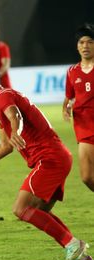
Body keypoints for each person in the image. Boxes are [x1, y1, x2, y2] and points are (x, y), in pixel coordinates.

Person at [0, 62, 92, 260]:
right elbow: (6, 147)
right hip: (57, 157)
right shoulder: (4, 98)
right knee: (38, 210)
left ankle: (73, 245)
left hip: (49, 159)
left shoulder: (3, 97)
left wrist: (16, 129)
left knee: (20, 208)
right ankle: (78, 253)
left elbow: (14, 114)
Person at [63, 23, 94, 192]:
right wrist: (66, 107)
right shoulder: (72, 71)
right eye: (81, 42)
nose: (85, 46)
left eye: (89, 42)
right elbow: (69, 97)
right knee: (87, 177)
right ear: (77, 46)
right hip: (83, 128)